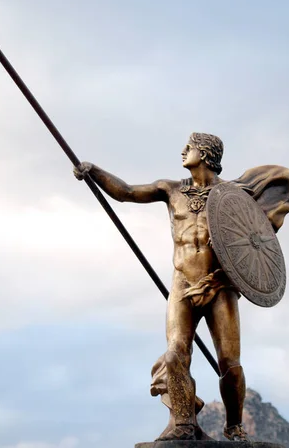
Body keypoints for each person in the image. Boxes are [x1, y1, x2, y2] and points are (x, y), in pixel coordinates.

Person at [74, 133, 247, 441]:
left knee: (229, 363)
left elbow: (249, 247)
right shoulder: (171, 189)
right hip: (183, 281)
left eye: (190, 147)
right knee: (175, 354)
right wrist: (93, 171)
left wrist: (219, 280)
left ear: (205, 153)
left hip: (219, 286)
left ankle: (234, 426)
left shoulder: (232, 196)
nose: (183, 151)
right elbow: (126, 192)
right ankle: (183, 423)